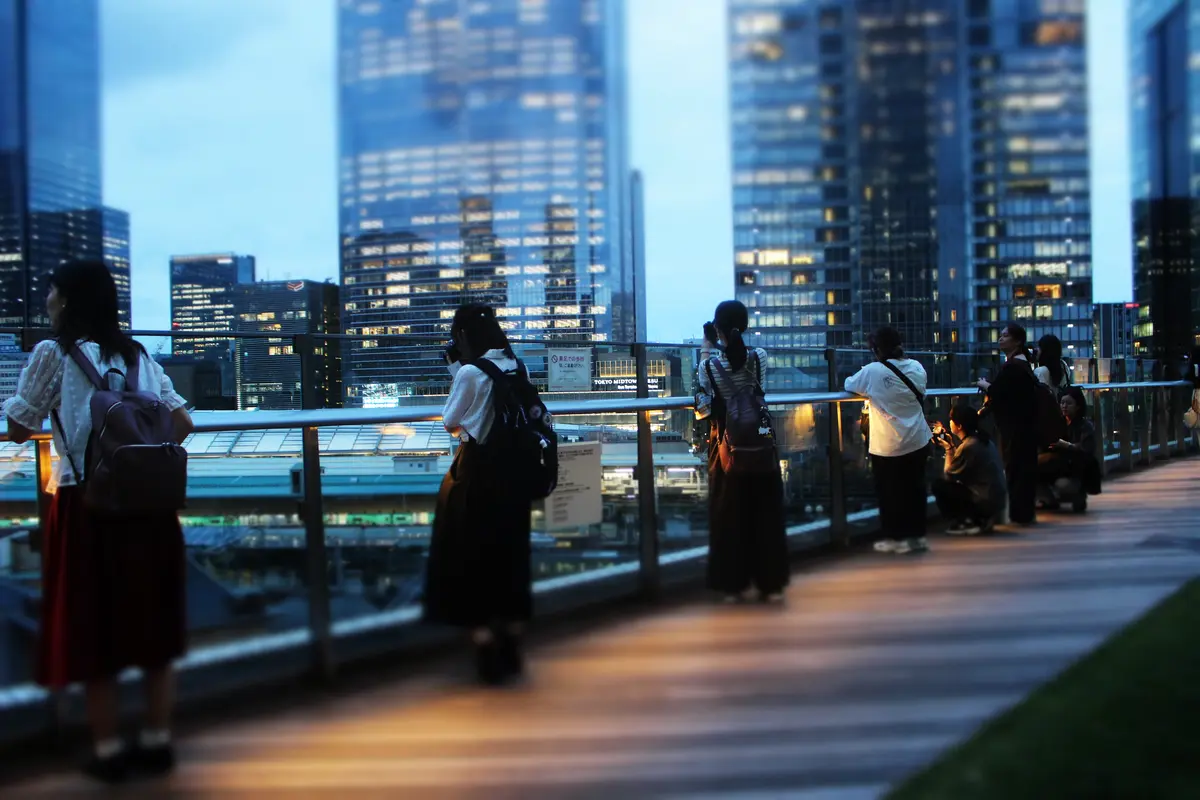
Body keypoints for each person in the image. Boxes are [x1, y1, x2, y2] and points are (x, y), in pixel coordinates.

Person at [2, 260, 193, 784]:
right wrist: (137, 454)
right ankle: (157, 741)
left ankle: (107, 750)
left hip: (87, 505)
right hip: (148, 507)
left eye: (51, 292)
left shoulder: (54, 352)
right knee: (153, 623)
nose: (47, 301)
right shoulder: (138, 355)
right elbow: (182, 421)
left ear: (66, 300)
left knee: (92, 626)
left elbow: (19, 427)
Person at [423, 304, 534, 685]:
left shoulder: (469, 372)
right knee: (509, 555)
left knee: (471, 556)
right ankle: (513, 643)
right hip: (515, 474)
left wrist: (457, 372)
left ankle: (486, 647)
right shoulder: (516, 366)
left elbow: (451, 421)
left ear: (462, 336)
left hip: (478, 474)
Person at [697, 300, 790, 602]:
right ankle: (770, 582)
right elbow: (756, 386)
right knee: (765, 514)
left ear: (717, 329)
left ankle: (732, 584)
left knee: (730, 516)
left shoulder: (709, 366)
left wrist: (707, 348)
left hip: (728, 447)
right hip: (760, 442)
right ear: (745, 326)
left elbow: (703, 404)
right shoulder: (758, 357)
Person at [845, 327, 932, 555]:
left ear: (876, 349)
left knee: (890, 493)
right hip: (918, 438)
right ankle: (917, 537)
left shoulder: (872, 371)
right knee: (915, 490)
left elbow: (849, 384)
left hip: (889, 444)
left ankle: (896, 538)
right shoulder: (917, 366)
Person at [978, 323, 1040, 525]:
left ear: (1018, 341)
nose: (1001, 339)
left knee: (1016, 468)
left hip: (1015, 427)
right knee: (1023, 468)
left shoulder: (1013, 367)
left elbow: (1000, 392)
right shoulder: (1023, 364)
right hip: (1025, 426)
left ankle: (1019, 513)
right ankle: (1024, 512)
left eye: (1005, 336)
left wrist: (984, 385)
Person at [931, 405, 1007, 535]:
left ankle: (968, 521)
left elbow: (948, 476)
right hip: (996, 499)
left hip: (985, 501)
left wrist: (949, 449)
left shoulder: (969, 446)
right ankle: (978, 520)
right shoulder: (983, 440)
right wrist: (951, 446)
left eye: (951, 419)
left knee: (939, 486)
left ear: (959, 426)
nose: (949, 422)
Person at [1037, 386, 1100, 512]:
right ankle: (1048, 499)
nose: (1064, 406)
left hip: (1075, 468)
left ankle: (1077, 494)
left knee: (1064, 485)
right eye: (1062, 403)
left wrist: (1065, 445)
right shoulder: (1057, 424)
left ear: (1078, 406)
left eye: (1069, 403)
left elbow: (1086, 449)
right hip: (1057, 464)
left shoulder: (1084, 426)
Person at [1034, 334, 1071, 399]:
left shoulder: (1041, 371)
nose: (1037, 350)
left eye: (1039, 348)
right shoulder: (1064, 366)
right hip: (1061, 403)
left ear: (1044, 351)